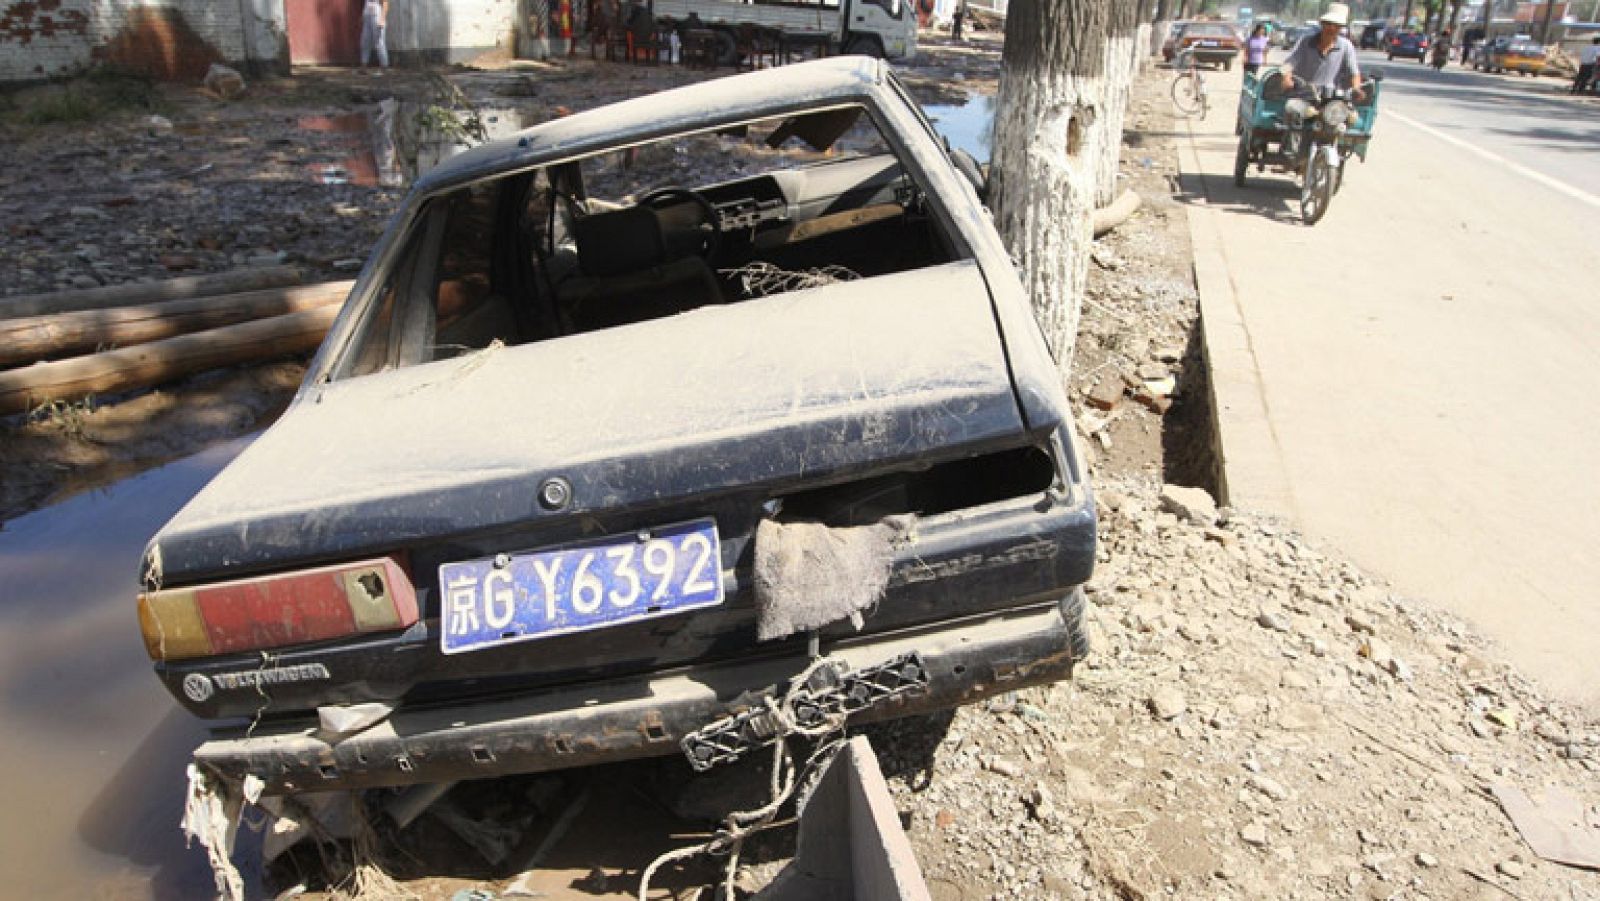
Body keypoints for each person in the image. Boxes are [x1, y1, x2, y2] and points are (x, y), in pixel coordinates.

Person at [1279, 2, 1363, 97]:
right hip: (1303, 94)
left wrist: (1356, 88)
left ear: (1341, 28)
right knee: (1292, 109)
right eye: (1328, 24)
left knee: (1350, 112)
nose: (1332, 28)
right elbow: (1288, 63)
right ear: (1322, 24)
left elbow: (1354, 73)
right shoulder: (1305, 42)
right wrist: (1286, 78)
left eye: (1337, 25)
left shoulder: (1346, 46)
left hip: (1332, 98)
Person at [361, 0, 389, 70]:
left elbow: (385, 3)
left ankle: (384, 66)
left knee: (379, 42)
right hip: (367, 16)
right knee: (365, 41)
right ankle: (364, 65)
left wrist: (382, 19)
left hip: (377, 16)